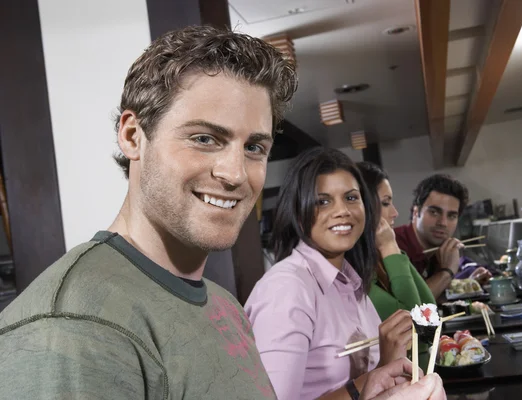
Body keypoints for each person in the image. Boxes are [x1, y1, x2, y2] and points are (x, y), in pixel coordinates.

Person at [0, 26, 444, 400]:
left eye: (253, 147)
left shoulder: (222, 304)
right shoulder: (72, 327)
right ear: (133, 135)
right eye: (205, 138)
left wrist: (362, 390)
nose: (235, 174)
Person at [245, 148, 432, 400]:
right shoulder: (287, 287)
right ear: (299, 214)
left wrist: (385, 366)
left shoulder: (351, 282)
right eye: (323, 201)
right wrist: (368, 380)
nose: (342, 210)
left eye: (351, 198)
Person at [357, 162, 435, 370]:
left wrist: (391, 249)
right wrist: (390, 245)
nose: (395, 212)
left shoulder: (380, 257)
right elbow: (416, 328)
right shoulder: (354, 272)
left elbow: (430, 313)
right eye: (385, 203)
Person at [394, 175, 491, 300]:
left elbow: (436, 296)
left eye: (451, 216)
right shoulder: (394, 245)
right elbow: (411, 307)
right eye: (434, 212)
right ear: (415, 212)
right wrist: (447, 272)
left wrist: (469, 283)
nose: (443, 223)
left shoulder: (438, 247)